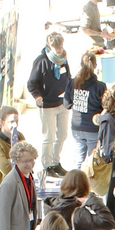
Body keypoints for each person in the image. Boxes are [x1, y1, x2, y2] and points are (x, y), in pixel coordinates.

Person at [26, 33, 73, 176]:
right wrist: (37, 95)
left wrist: (69, 94)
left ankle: (55, 162)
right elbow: (31, 83)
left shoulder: (63, 59)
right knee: (49, 137)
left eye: (61, 47)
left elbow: (68, 78)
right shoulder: (41, 61)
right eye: (56, 48)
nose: (59, 50)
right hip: (47, 106)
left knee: (63, 135)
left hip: (62, 103)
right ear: (49, 46)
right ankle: (47, 166)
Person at [68, 51, 109, 166]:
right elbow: (105, 106)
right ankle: (90, 184)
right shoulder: (100, 86)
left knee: (78, 160)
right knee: (92, 161)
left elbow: (67, 104)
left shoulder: (72, 83)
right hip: (92, 127)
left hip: (76, 126)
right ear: (95, 66)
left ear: (81, 65)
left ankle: (75, 182)